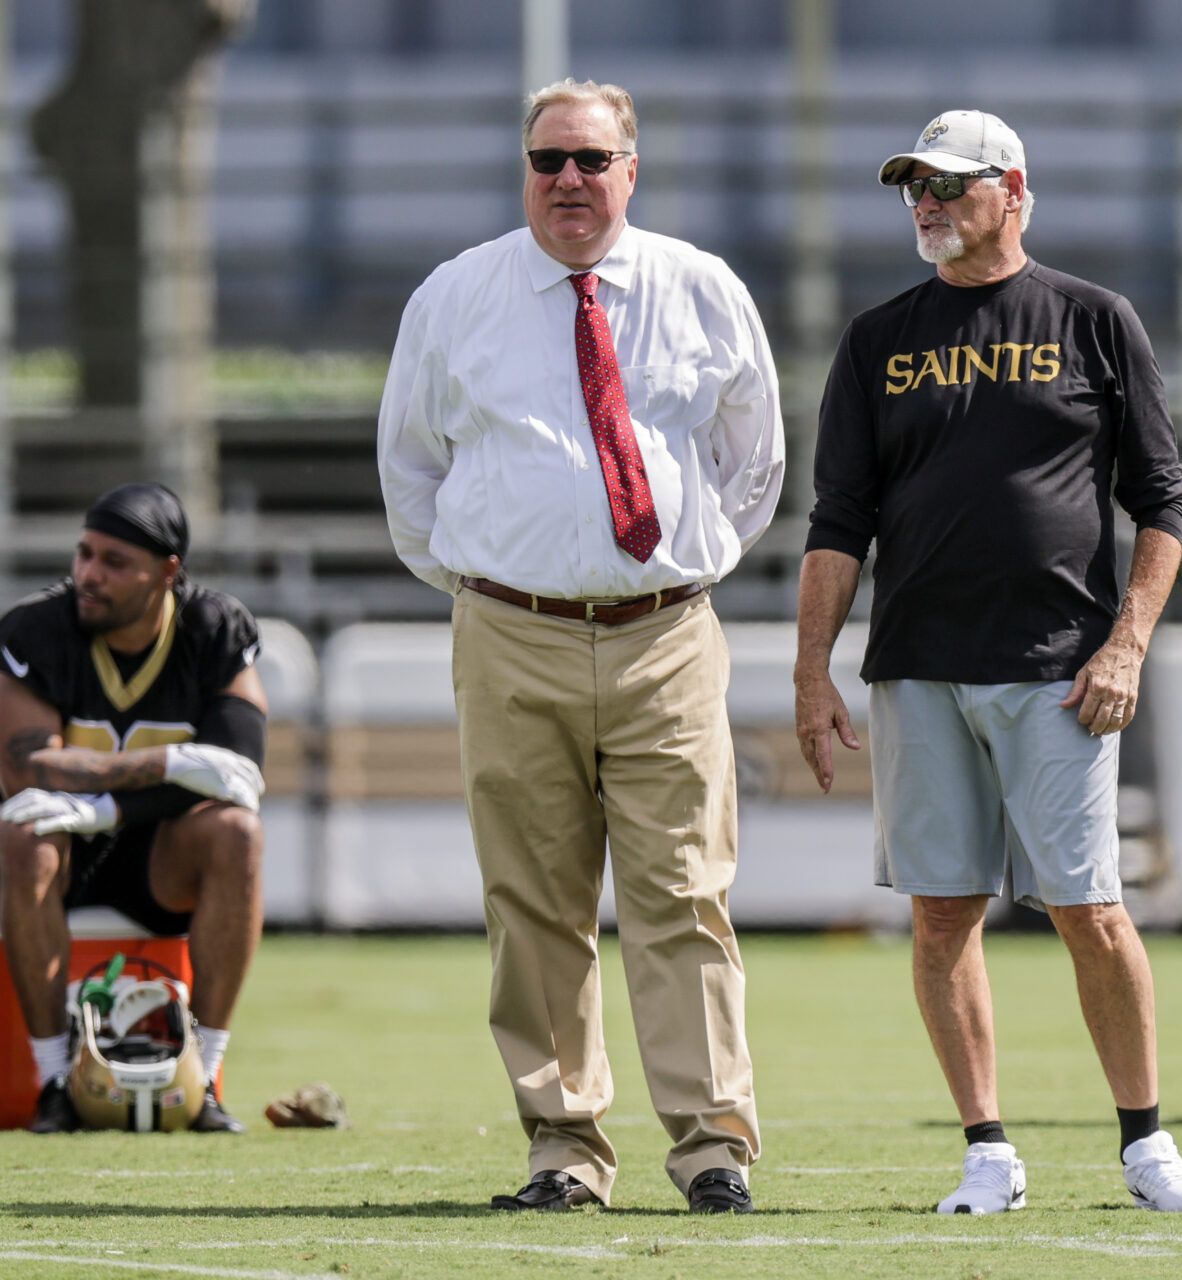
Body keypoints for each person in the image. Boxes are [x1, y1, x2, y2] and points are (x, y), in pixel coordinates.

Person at [794, 110, 1182, 1214]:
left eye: (948, 185)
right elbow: (838, 518)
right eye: (913, 189)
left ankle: (1146, 1144)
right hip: (920, 666)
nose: (926, 205)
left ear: (1014, 189)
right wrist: (813, 671)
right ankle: (987, 1148)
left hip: (1061, 669)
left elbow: (1163, 501)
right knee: (943, 912)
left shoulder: (1094, 318)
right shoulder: (876, 337)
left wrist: (1128, 641)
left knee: (1089, 905)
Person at [377, 77, 782, 1215]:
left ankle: (712, 1148)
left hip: (666, 635)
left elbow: (754, 469)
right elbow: (408, 472)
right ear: (525, 167)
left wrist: (661, 570)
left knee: (687, 893)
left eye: (591, 161)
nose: (569, 181)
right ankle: (561, 1146)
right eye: (549, 159)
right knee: (534, 901)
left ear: (631, 171)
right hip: (510, 632)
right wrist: (499, 580)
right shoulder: (458, 295)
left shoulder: (702, 290)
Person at [0, 482, 268, 1135]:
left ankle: (203, 1077)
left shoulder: (214, 629)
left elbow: (238, 773)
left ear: (167, 572)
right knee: (27, 830)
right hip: (62, 856)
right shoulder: (37, 630)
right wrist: (171, 764)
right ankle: (54, 1081)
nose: (88, 575)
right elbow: (28, 767)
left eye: (114, 562)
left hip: (161, 859)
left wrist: (102, 802)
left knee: (238, 833)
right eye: (84, 554)